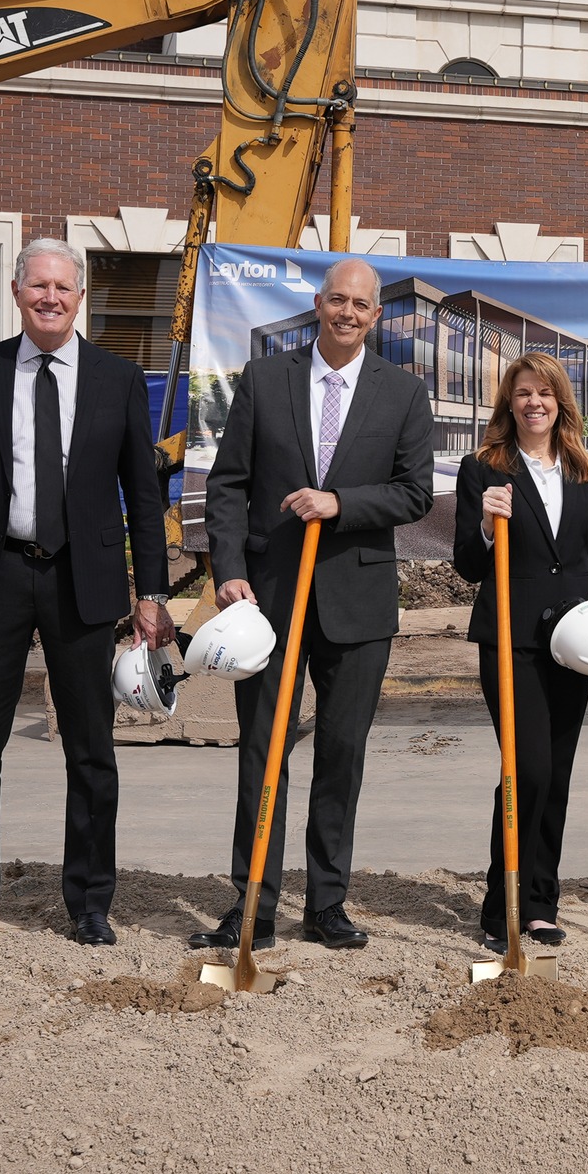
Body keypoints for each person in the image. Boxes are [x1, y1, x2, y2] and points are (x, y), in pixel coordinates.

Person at [0, 238, 174, 952]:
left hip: (81, 582)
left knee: (92, 751)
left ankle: (90, 902)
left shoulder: (118, 379)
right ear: (16, 292)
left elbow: (143, 495)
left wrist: (153, 592)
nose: (51, 298)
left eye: (63, 287)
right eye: (38, 285)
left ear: (80, 297)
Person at [190, 258, 434, 952]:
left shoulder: (403, 393)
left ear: (376, 316)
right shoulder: (266, 379)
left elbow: (415, 492)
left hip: (358, 602)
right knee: (263, 751)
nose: (347, 313)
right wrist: (229, 572)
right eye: (337, 300)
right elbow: (228, 485)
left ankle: (327, 903)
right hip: (267, 600)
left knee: (341, 753)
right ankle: (253, 905)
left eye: (361, 304)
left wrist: (340, 503)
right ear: (319, 304)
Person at [452, 352, 588, 951]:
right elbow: (467, 564)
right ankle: (500, 905)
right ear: (510, 400)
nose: (534, 403)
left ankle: (539, 904)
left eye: (545, 393)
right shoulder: (484, 468)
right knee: (526, 770)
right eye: (524, 392)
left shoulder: (586, 468)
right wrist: (485, 526)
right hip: (511, 637)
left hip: (574, 639)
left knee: (556, 773)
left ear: (560, 402)